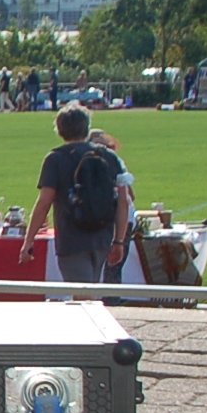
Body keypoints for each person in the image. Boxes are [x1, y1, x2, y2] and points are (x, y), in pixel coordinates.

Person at [21, 102, 127, 285]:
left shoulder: (55, 159)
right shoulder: (109, 156)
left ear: (60, 130)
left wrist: (28, 240)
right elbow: (123, 201)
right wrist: (119, 240)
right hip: (102, 235)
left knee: (82, 296)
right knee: (92, 292)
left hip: (72, 239)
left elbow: (44, 203)